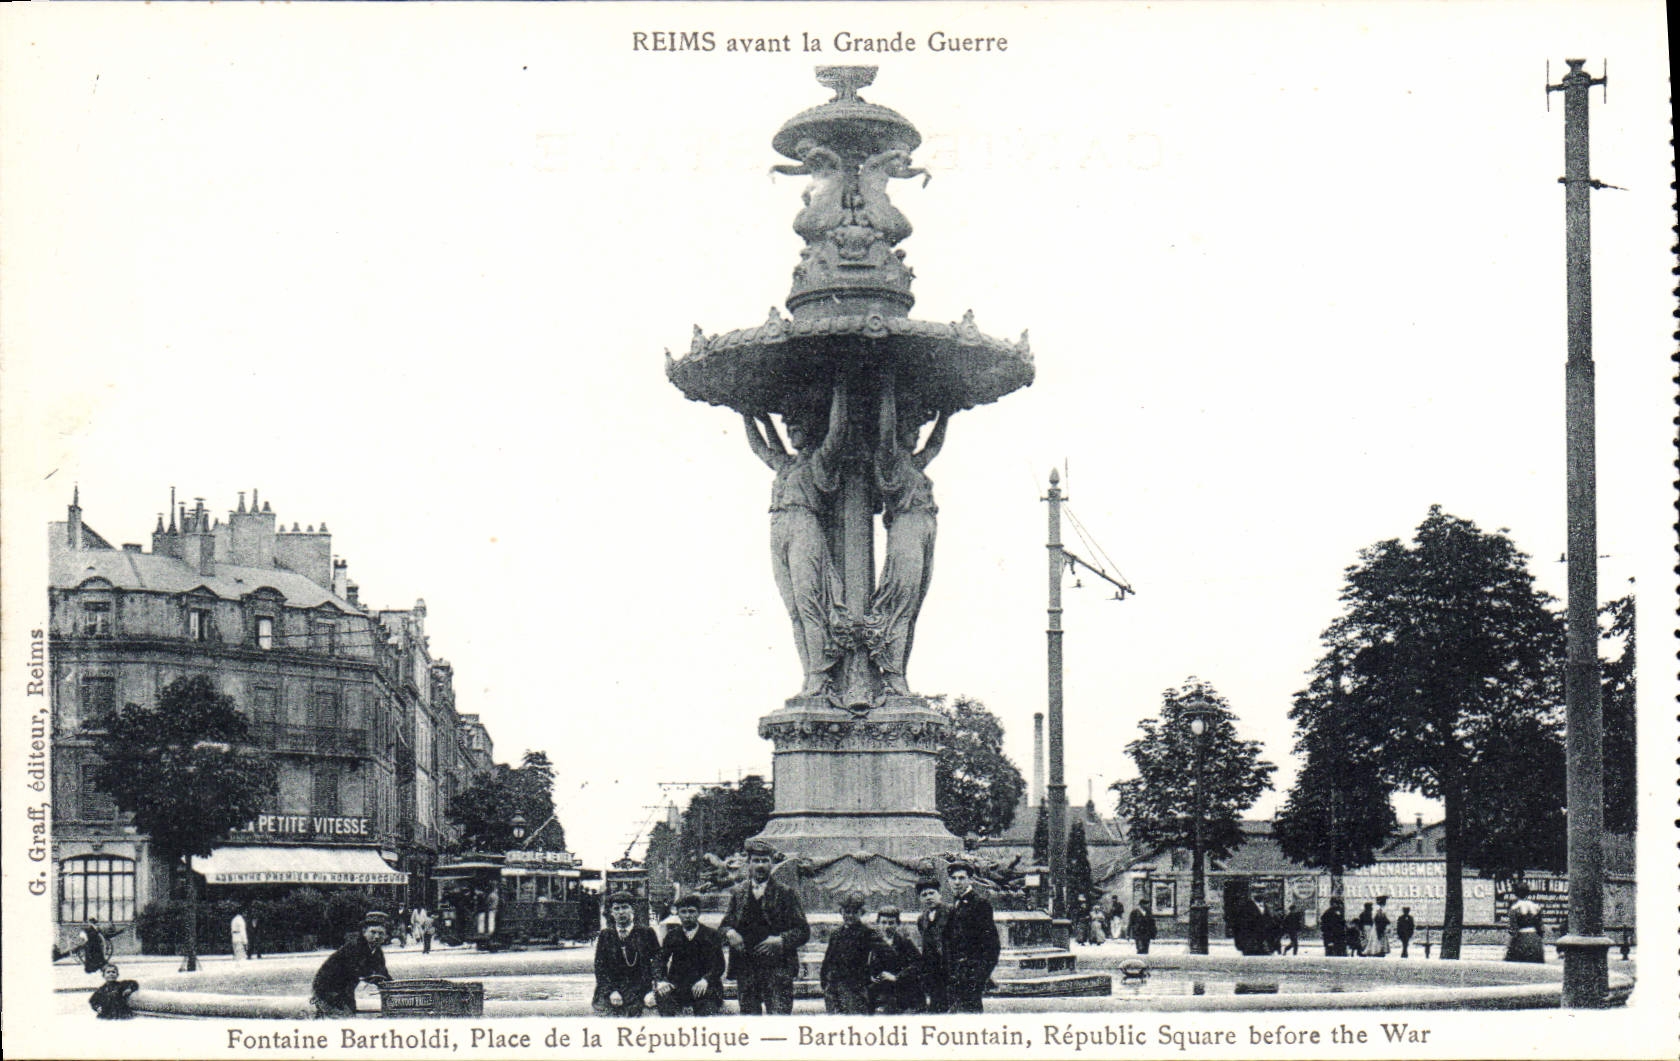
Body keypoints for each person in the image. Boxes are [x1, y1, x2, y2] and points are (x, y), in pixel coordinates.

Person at [743, 384, 848, 698]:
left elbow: (839, 431)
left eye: (798, 425)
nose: (790, 431)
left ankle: (821, 676)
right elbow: (763, 448)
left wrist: (839, 390)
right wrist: (747, 414)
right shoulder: (787, 465)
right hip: (779, 528)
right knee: (794, 611)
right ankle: (811, 676)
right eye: (788, 427)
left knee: (809, 606)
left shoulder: (820, 461)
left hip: (804, 526)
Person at [869, 373, 949, 696]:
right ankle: (892, 674)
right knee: (900, 603)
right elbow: (886, 434)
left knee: (912, 605)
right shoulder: (889, 460)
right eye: (910, 429)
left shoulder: (914, 466)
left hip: (925, 530)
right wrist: (887, 392)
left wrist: (946, 416)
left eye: (917, 430)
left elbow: (935, 446)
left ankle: (897, 670)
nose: (915, 435)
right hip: (905, 532)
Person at [720, 841, 810, 1015]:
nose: (760, 866)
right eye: (756, 861)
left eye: (764, 860)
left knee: (778, 1021)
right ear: (749, 864)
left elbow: (803, 931)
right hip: (746, 969)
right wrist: (730, 933)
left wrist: (781, 940)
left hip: (778, 969)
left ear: (772, 863)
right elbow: (724, 926)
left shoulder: (786, 893)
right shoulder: (738, 893)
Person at [942, 861, 999, 1013]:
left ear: (970, 880)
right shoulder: (955, 904)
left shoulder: (980, 904)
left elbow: (992, 945)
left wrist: (980, 976)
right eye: (953, 878)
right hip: (955, 975)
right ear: (948, 881)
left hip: (971, 975)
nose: (957, 882)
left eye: (961, 878)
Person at [654, 896, 726, 1017]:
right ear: (678, 914)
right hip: (679, 986)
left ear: (698, 913)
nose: (687, 916)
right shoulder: (672, 936)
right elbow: (660, 960)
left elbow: (719, 965)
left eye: (691, 911)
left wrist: (706, 980)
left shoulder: (711, 935)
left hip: (705, 986)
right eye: (683, 912)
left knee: (707, 1010)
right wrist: (661, 980)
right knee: (663, 998)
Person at [311, 911, 392, 1017]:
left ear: (386, 936)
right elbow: (357, 971)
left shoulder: (377, 952)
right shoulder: (354, 947)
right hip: (327, 990)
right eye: (373, 932)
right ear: (364, 932)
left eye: (381, 933)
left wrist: (393, 987)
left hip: (345, 991)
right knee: (346, 1019)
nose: (377, 936)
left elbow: (383, 973)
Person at [594, 892, 659, 1017]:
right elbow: (600, 968)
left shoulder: (646, 933)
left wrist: (652, 990)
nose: (621, 912)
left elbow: (657, 962)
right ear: (611, 912)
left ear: (632, 909)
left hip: (641, 990)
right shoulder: (605, 935)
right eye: (616, 908)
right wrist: (611, 991)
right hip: (613, 990)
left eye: (625, 907)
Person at [821, 894, 888, 1014]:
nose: (850, 916)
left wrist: (873, 973)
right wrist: (825, 983)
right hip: (833, 988)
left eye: (854, 912)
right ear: (841, 912)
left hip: (855, 989)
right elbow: (828, 959)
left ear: (861, 913)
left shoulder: (868, 933)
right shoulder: (836, 934)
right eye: (847, 912)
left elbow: (886, 954)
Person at [869, 906, 924, 1015]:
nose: (887, 926)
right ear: (878, 924)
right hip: (879, 991)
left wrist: (896, 977)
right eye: (883, 922)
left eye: (891, 923)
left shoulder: (905, 943)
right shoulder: (872, 942)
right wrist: (870, 975)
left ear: (898, 924)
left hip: (902, 991)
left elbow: (918, 964)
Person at [914, 879, 950, 1014]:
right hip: (933, 973)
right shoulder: (921, 919)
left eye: (931, 893)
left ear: (939, 894)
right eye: (924, 895)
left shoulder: (951, 912)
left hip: (949, 969)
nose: (928, 897)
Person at [1504, 883, 1546, 963]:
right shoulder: (1536, 907)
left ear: (1516, 894)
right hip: (1535, 940)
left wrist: (1509, 945)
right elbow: (1540, 928)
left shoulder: (1514, 908)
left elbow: (1513, 929)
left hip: (1521, 940)